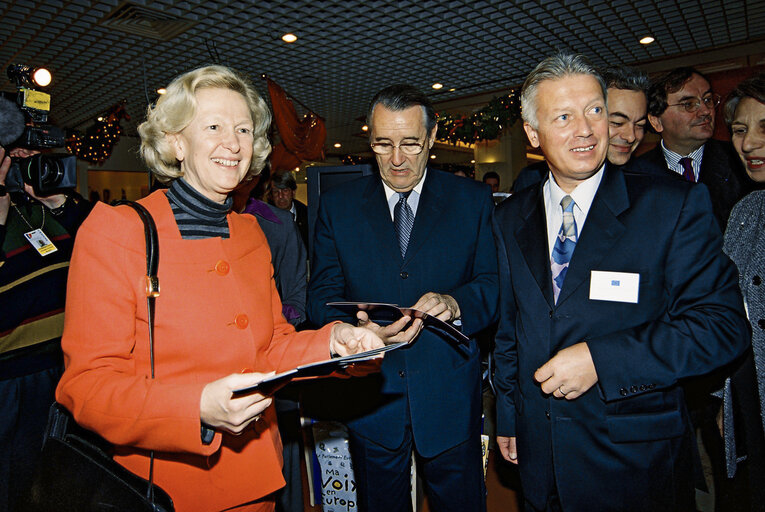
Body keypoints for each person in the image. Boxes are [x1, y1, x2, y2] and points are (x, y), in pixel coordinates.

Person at [55, 65, 392, 512]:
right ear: (176, 141)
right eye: (213, 126)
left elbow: (271, 347)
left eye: (243, 129)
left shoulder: (251, 232)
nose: (233, 143)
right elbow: (87, 387)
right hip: (164, 489)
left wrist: (334, 342)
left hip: (255, 478)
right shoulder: (117, 232)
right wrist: (194, 407)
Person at [492, 52, 749, 511]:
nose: (586, 129)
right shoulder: (511, 216)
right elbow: (511, 328)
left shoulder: (672, 206)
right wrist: (510, 416)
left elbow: (722, 327)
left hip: (633, 461)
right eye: (564, 116)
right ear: (533, 134)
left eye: (594, 109)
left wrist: (602, 360)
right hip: (540, 457)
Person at [307, 84, 498, 512]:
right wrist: (354, 331)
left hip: (449, 397)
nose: (396, 160)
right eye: (383, 143)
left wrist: (457, 303)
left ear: (431, 138)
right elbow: (319, 297)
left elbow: (493, 285)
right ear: (369, 139)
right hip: (373, 398)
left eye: (410, 143)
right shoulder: (338, 207)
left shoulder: (472, 201)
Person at [0, 146, 91, 512]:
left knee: (56, 477)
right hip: (9, 379)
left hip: (62, 367)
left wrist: (55, 199)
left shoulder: (40, 210)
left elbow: (105, 238)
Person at [720, 72, 765, 512]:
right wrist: (723, 401)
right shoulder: (746, 211)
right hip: (749, 394)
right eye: (739, 129)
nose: (749, 143)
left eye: (764, 127)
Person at [636, 66, 750, 229]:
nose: (705, 111)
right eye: (689, 104)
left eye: (708, 99)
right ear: (656, 121)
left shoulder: (742, 162)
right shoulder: (636, 175)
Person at [513, 65, 649, 193]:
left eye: (640, 125)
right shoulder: (528, 186)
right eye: (617, 122)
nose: (630, 136)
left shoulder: (655, 192)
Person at [269, 171, 308, 250]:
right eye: (276, 192)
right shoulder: (265, 217)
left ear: (293, 192)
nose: (280, 196)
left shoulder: (306, 214)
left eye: (285, 190)